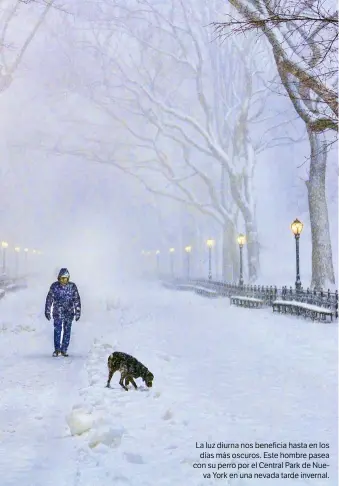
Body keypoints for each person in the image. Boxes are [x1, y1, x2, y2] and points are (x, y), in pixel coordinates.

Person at [45, 268, 81, 357]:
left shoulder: (72, 287)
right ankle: (57, 350)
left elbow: (76, 299)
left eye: (66, 278)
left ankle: (64, 349)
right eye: (62, 278)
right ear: (59, 278)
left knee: (67, 331)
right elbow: (49, 299)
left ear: (68, 278)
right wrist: (47, 310)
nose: (64, 280)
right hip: (58, 312)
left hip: (69, 313)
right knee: (57, 330)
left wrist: (77, 311)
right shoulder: (54, 286)